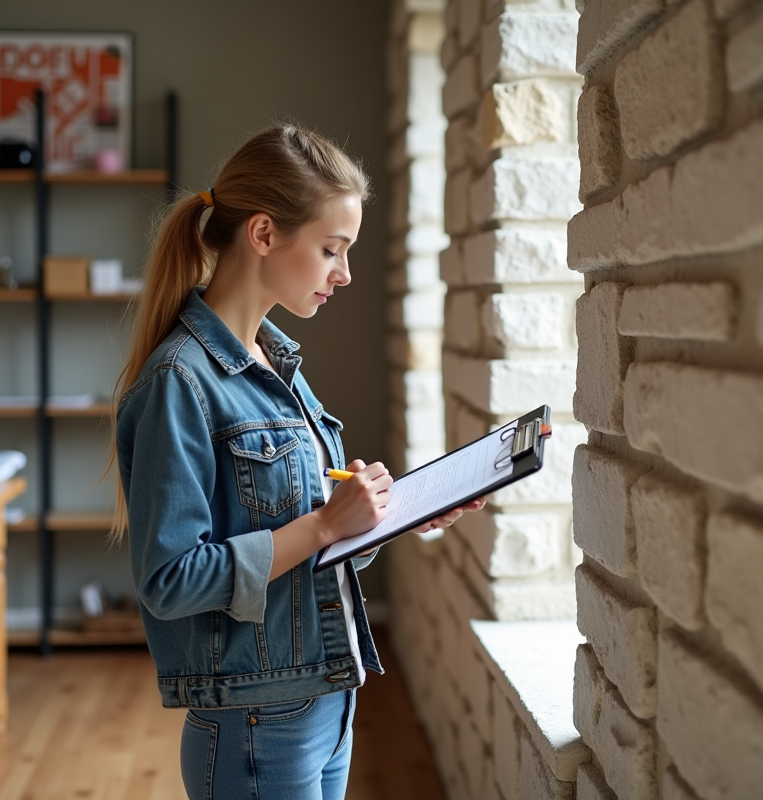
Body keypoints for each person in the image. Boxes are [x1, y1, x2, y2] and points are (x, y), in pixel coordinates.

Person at [109, 125, 483, 800]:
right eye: (332, 250)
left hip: (323, 700)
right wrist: (322, 526)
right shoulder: (180, 382)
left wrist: (391, 517)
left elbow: (310, 543)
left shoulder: (277, 365)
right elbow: (170, 578)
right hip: (256, 720)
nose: (345, 272)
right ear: (262, 234)